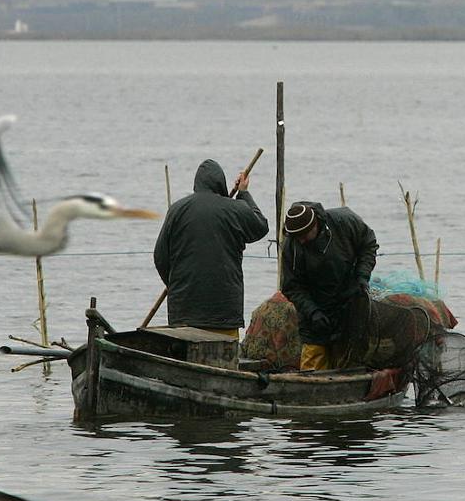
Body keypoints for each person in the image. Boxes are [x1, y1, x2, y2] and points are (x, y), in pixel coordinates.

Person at [153, 159, 269, 335]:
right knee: (223, 359)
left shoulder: (177, 210)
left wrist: (176, 285)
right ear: (220, 183)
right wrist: (244, 194)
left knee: (184, 356)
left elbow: (160, 257)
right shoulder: (235, 209)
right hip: (224, 313)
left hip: (183, 314)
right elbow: (260, 226)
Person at [280, 200, 379, 371]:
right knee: (312, 363)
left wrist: (362, 277)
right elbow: (291, 287)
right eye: (297, 238)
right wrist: (313, 312)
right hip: (314, 311)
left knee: (348, 360)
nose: (301, 241)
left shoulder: (344, 222)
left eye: (304, 236)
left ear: (315, 225)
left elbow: (368, 245)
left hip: (349, 301)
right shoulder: (292, 245)